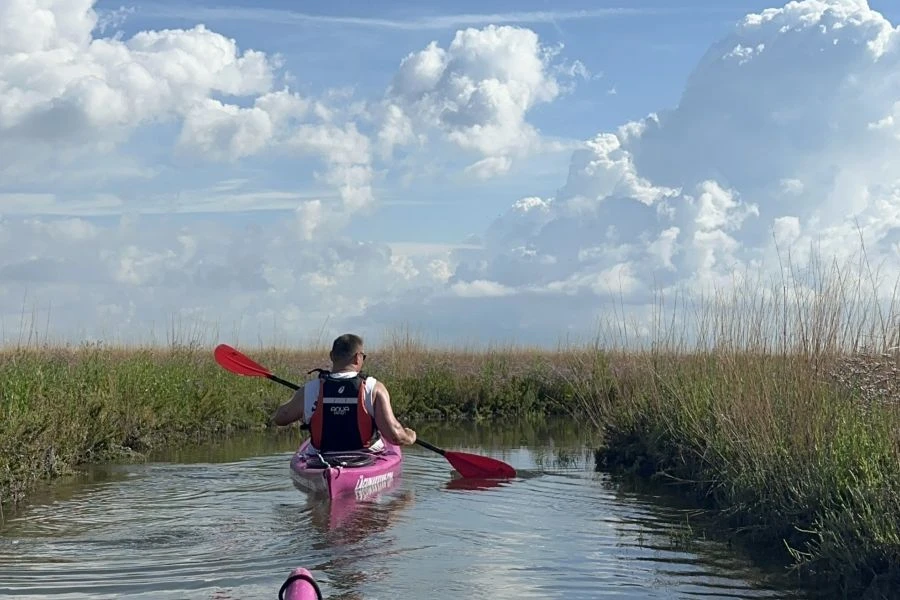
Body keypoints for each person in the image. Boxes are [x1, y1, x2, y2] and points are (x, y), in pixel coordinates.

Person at [272, 333, 417, 454]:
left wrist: (306, 407)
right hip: (364, 457)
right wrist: (410, 436)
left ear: (331, 356)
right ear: (358, 357)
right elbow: (395, 436)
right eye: (363, 357)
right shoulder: (374, 388)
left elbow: (280, 418)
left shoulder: (311, 388)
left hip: (322, 459)